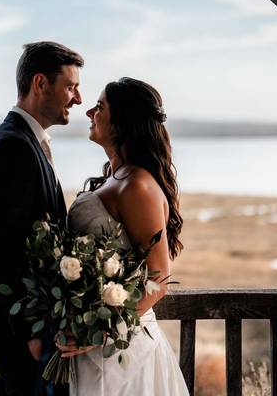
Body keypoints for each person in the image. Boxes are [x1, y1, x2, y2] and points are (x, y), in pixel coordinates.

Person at [57, 77, 188, 395]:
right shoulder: (116, 177)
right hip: (96, 345)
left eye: (100, 107)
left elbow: (159, 278)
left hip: (122, 351)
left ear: (122, 123)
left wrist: (98, 332)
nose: (89, 111)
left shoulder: (137, 186)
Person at [0, 41, 84, 396]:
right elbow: (1, 250)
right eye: (71, 86)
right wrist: (32, 331)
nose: (78, 99)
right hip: (22, 338)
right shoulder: (13, 147)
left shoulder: (23, 141)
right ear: (40, 83)